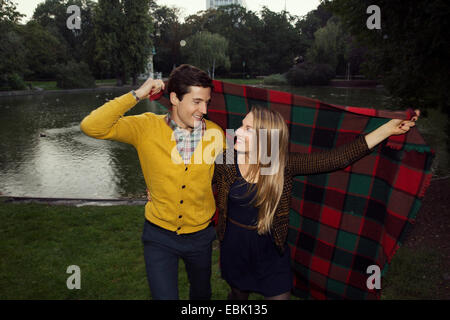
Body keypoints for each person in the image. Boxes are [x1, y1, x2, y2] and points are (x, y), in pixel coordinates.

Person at [213, 105, 419, 300]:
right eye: (241, 125)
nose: (237, 132)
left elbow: (335, 159)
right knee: (239, 297)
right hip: (235, 246)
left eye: (248, 129)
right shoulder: (226, 161)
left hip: (271, 250)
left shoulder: (280, 164)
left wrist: (387, 129)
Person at [80, 64, 225, 300]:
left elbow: (234, 173)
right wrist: (137, 94)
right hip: (159, 237)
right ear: (175, 98)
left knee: (201, 295)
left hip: (201, 236)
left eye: (207, 102)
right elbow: (91, 126)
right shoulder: (145, 127)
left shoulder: (217, 134)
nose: (204, 110)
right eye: (197, 102)